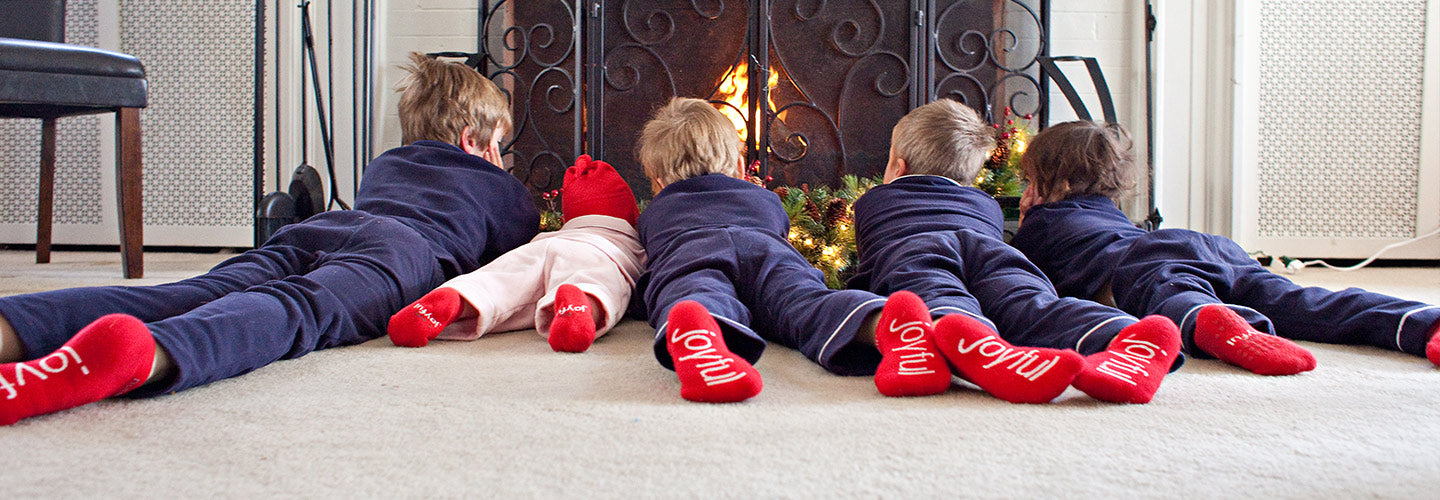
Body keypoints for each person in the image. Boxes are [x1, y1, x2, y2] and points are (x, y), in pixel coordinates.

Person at [0, 53, 539, 425]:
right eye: (499, 145)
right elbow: (512, 263)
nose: (501, 157)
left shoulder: (385, 165)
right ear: (475, 141)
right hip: (405, 252)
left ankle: (14, 327)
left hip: (327, 224)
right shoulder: (501, 190)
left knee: (198, 289)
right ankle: (151, 355)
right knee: (297, 309)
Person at [1010, 120, 1440, 373]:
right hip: (1212, 248)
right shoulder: (1113, 216)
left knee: (1169, 294)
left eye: (1031, 180)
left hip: (1149, 259)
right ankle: (1421, 324)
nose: (1028, 190)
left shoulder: (1046, 220)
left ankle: (1214, 324)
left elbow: (1019, 275)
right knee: (1300, 300)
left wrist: (1027, 224)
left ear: (1058, 185)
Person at [848, 99, 1184, 404]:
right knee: (1026, 301)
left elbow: (872, 260)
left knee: (936, 293)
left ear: (898, 167)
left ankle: (982, 346)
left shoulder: (873, 202)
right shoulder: (987, 205)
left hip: (918, 250)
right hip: (992, 250)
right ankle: (1124, 334)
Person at [635, 97, 960, 403]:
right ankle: (881, 321)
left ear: (659, 182)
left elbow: (652, 255)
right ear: (737, 165)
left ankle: (700, 332)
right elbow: (779, 229)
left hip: (692, 250)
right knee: (804, 299)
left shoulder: (656, 213)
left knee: (693, 289)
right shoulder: (765, 200)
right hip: (765, 248)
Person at [386, 154, 644, 353]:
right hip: (596, 254)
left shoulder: (552, 235)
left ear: (567, 216)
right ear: (632, 216)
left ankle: (452, 300)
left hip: (539, 247)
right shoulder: (629, 242)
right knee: (598, 283)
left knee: (499, 282)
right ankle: (578, 307)